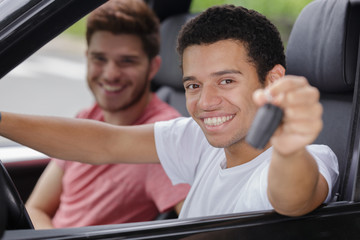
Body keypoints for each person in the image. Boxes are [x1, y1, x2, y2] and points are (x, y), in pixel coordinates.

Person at [0, 4, 338, 219]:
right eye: (193, 85)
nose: (205, 103)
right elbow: (104, 143)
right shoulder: (199, 140)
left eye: (225, 81)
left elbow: (293, 200)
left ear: (273, 79)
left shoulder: (313, 157)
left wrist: (290, 148)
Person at [24, 0, 190, 229]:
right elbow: (36, 207)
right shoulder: (88, 116)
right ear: (87, 57)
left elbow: (203, 227)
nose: (110, 74)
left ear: (153, 67)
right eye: (99, 59)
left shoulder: (162, 138)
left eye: (127, 61)